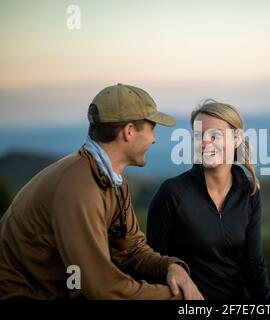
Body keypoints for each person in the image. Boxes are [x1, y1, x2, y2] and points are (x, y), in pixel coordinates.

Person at [0, 83, 203, 300]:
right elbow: (102, 289)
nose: (154, 139)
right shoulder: (79, 188)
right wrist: (178, 299)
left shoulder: (111, 179)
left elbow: (130, 249)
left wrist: (171, 267)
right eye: (152, 129)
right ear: (129, 131)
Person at [147, 99, 270, 300]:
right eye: (198, 136)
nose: (205, 142)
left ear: (237, 139)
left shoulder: (248, 192)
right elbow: (152, 264)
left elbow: (254, 265)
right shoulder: (172, 193)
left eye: (214, 135)